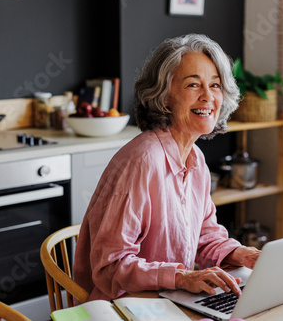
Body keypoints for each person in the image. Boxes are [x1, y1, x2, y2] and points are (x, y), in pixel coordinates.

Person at [73, 33, 261, 303]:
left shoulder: (196, 159)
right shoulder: (141, 161)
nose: (208, 96)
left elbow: (205, 238)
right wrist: (182, 278)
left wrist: (243, 254)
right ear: (164, 97)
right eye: (193, 85)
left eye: (215, 85)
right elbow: (110, 266)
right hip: (125, 306)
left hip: (170, 300)